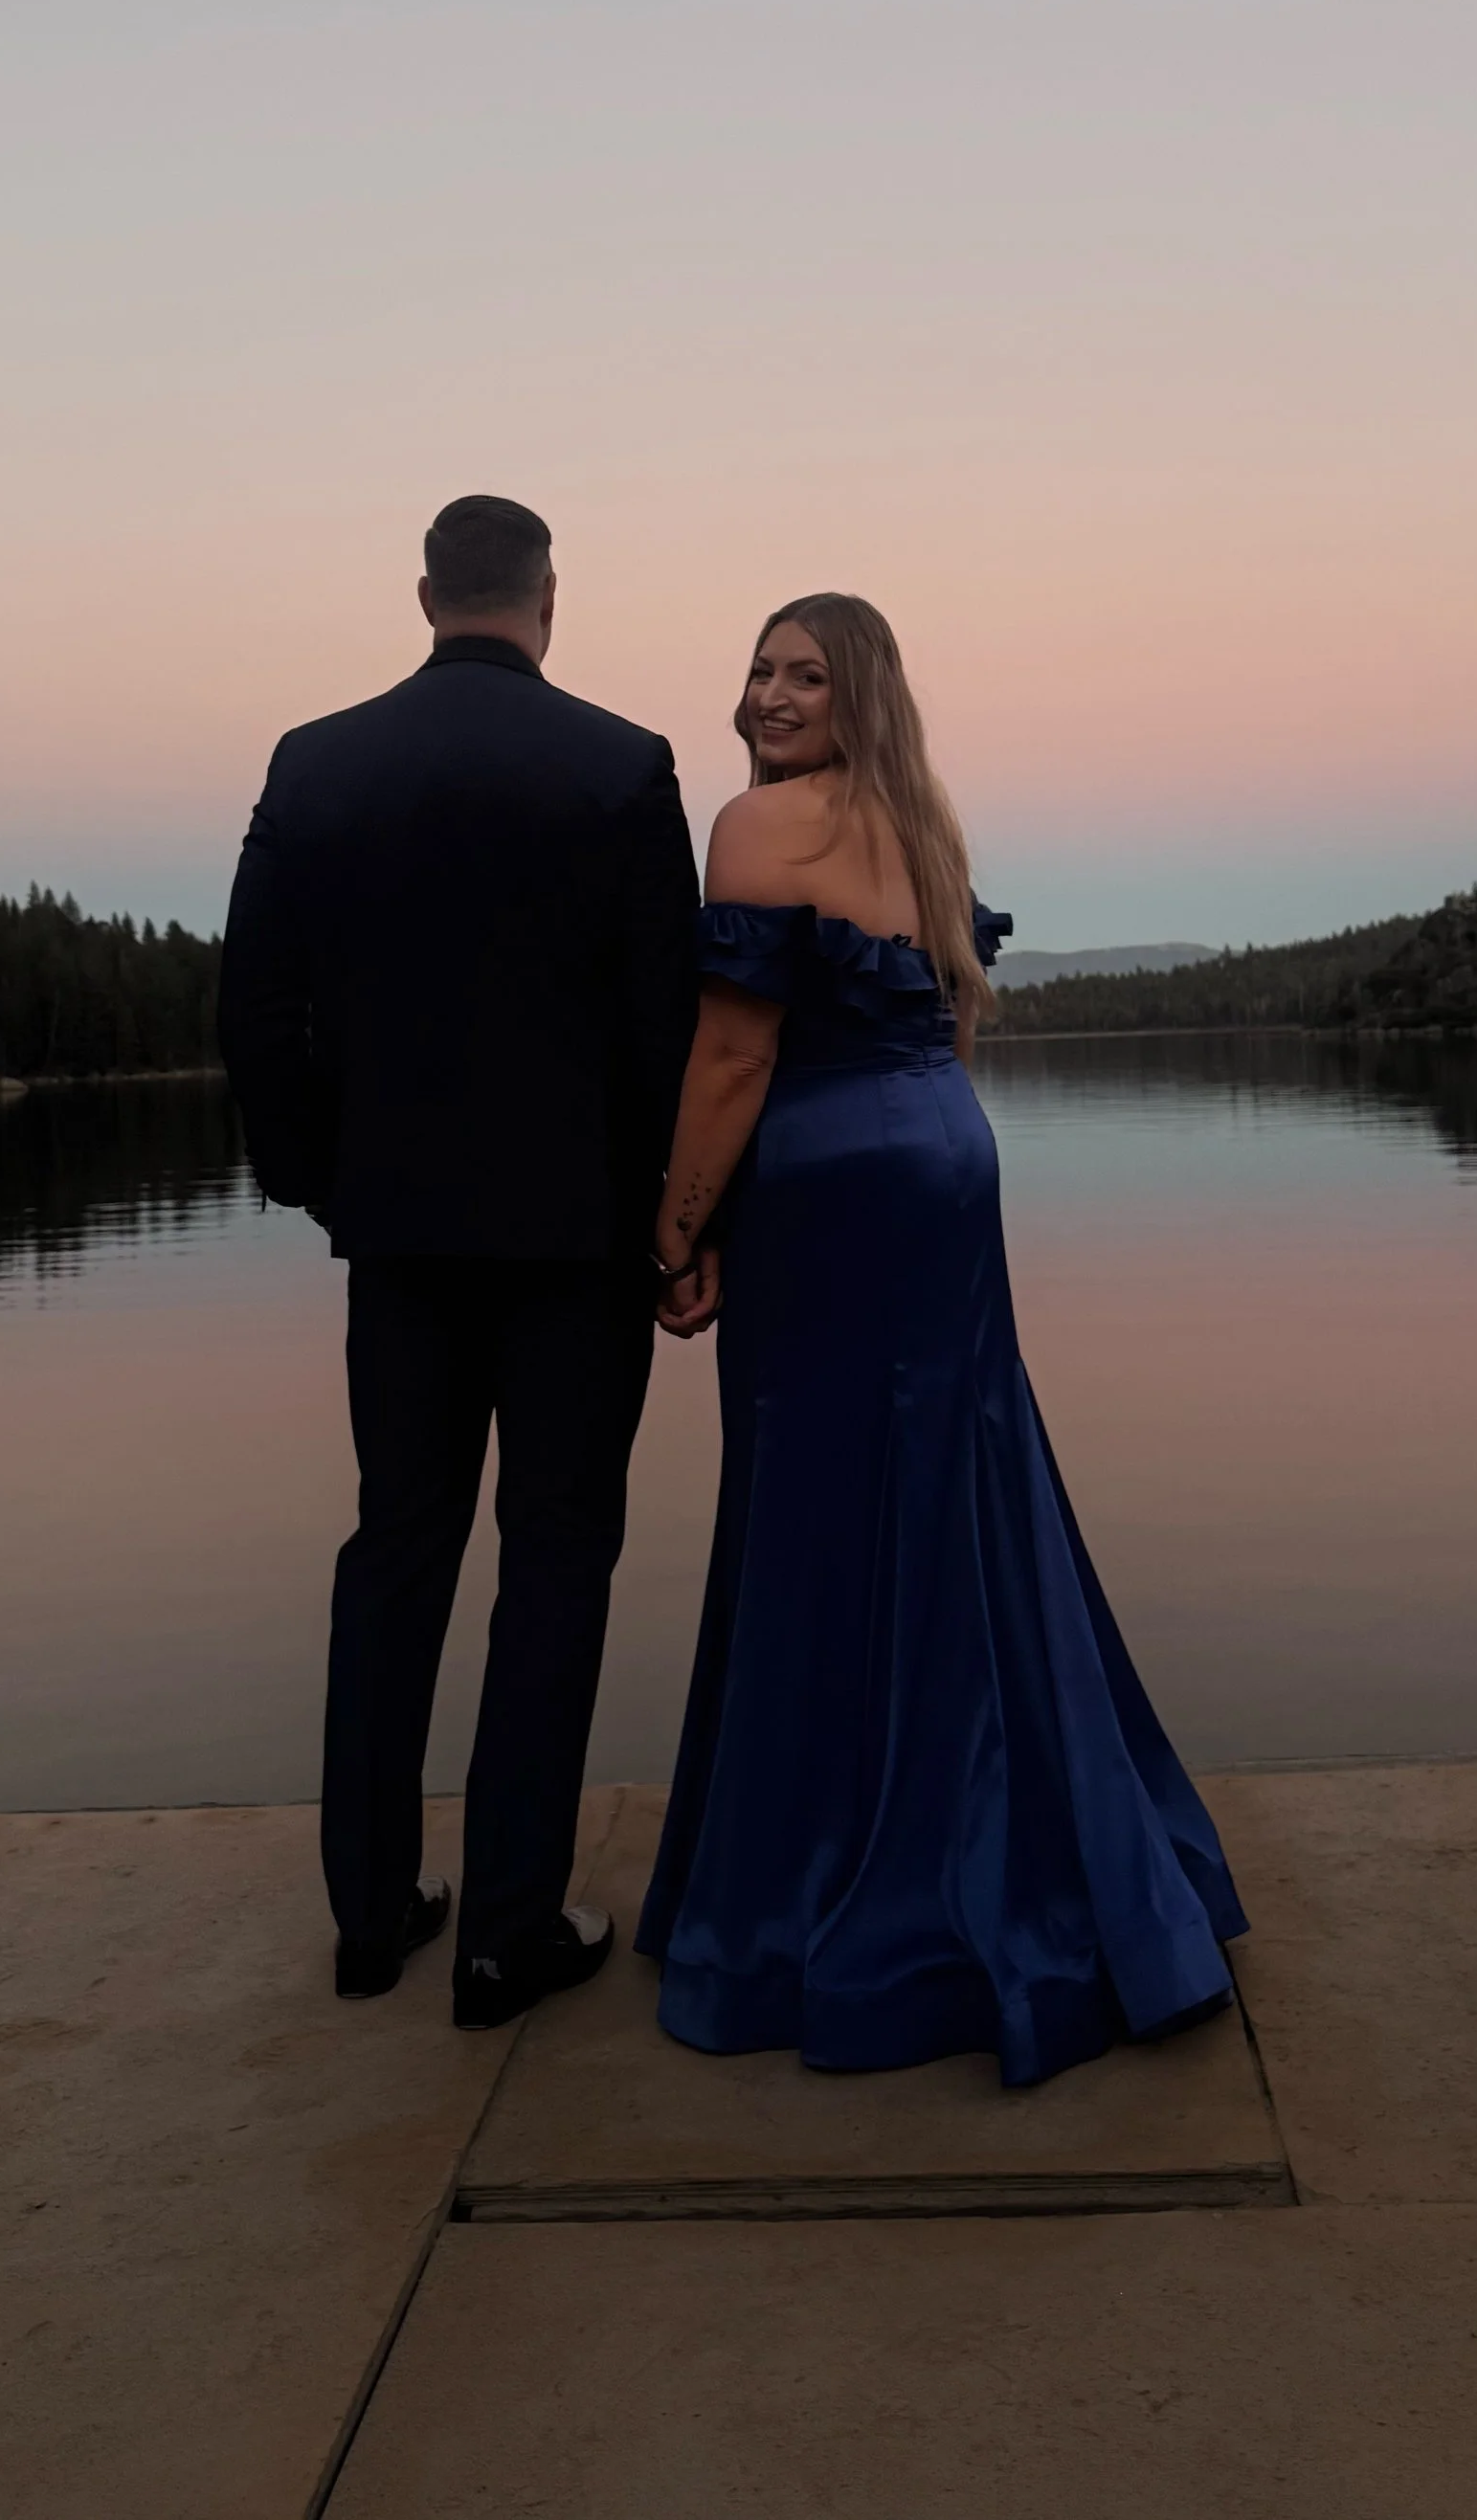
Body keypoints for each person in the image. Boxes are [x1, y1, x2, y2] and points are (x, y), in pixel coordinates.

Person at [638, 593, 1244, 2085]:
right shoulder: (929, 831)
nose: (771, 696)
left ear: (862, 697)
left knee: (818, 1503)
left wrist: (674, 1232)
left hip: (830, 1177)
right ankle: (1032, 1842)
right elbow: (955, 1028)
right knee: (962, 1492)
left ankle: (830, 1876)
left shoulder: (752, 829)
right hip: (945, 1162)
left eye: (807, 676)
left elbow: (732, 1051)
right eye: (762, 668)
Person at [218, 497, 699, 2025]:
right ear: (547, 600)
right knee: (556, 1557)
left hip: (400, 1241)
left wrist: (316, 1179)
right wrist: (681, 1226)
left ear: (426, 594)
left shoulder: (317, 762)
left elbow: (254, 1008)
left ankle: (371, 1918)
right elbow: (664, 1029)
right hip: (578, 1246)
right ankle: (504, 1931)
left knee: (396, 1550)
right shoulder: (623, 766)